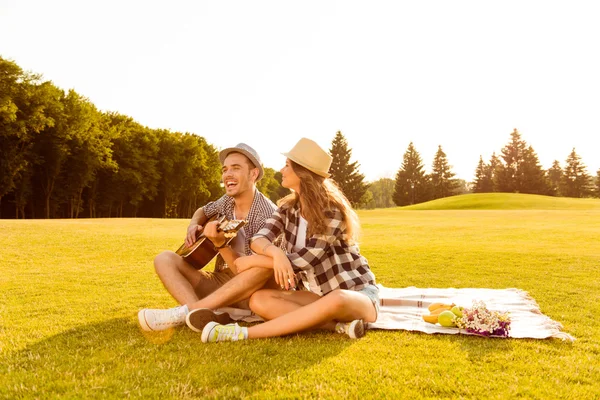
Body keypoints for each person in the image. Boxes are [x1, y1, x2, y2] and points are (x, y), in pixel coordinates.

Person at [190, 137, 379, 342]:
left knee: (337, 298)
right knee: (259, 300)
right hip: (318, 297)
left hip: (356, 294)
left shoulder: (331, 211)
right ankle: (339, 327)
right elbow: (258, 239)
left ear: (302, 172)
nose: (281, 170)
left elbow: (305, 260)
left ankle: (240, 334)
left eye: (287, 165)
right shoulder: (287, 208)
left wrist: (255, 260)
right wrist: (275, 253)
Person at [138, 143, 280, 332]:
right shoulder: (227, 201)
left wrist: (221, 245)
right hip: (221, 281)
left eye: (236, 168)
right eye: (225, 169)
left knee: (262, 267)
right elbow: (203, 211)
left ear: (253, 174)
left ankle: (193, 310)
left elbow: (247, 273)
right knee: (164, 259)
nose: (227, 174)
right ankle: (201, 316)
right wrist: (192, 225)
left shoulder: (267, 214)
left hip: (253, 289)